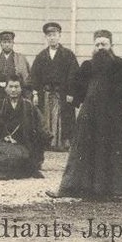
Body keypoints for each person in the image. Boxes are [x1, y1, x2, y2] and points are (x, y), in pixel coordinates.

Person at [48, 30, 122, 200]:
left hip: (114, 118)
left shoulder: (121, 66)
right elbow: (77, 91)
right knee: (81, 152)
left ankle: (114, 191)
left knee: (113, 152)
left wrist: (121, 99)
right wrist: (73, 96)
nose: (100, 48)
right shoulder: (87, 66)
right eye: (97, 44)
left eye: (104, 44)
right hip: (89, 116)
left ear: (111, 45)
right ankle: (71, 189)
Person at [0, 77, 51, 180]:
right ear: (6, 89)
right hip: (3, 145)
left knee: (23, 157)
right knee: (4, 159)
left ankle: (27, 168)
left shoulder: (29, 106)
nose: (13, 90)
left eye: (16, 87)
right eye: (11, 86)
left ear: (21, 89)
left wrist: (43, 139)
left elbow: (42, 126)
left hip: (24, 144)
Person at [28, 21, 79, 152]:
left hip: (62, 94)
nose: (52, 37)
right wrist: (34, 93)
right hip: (45, 93)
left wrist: (71, 93)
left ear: (59, 36)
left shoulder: (68, 55)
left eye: (54, 34)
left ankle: (62, 143)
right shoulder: (41, 56)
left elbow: (74, 75)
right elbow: (34, 76)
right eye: (49, 35)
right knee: (45, 117)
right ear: (46, 37)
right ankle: (46, 143)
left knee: (63, 118)